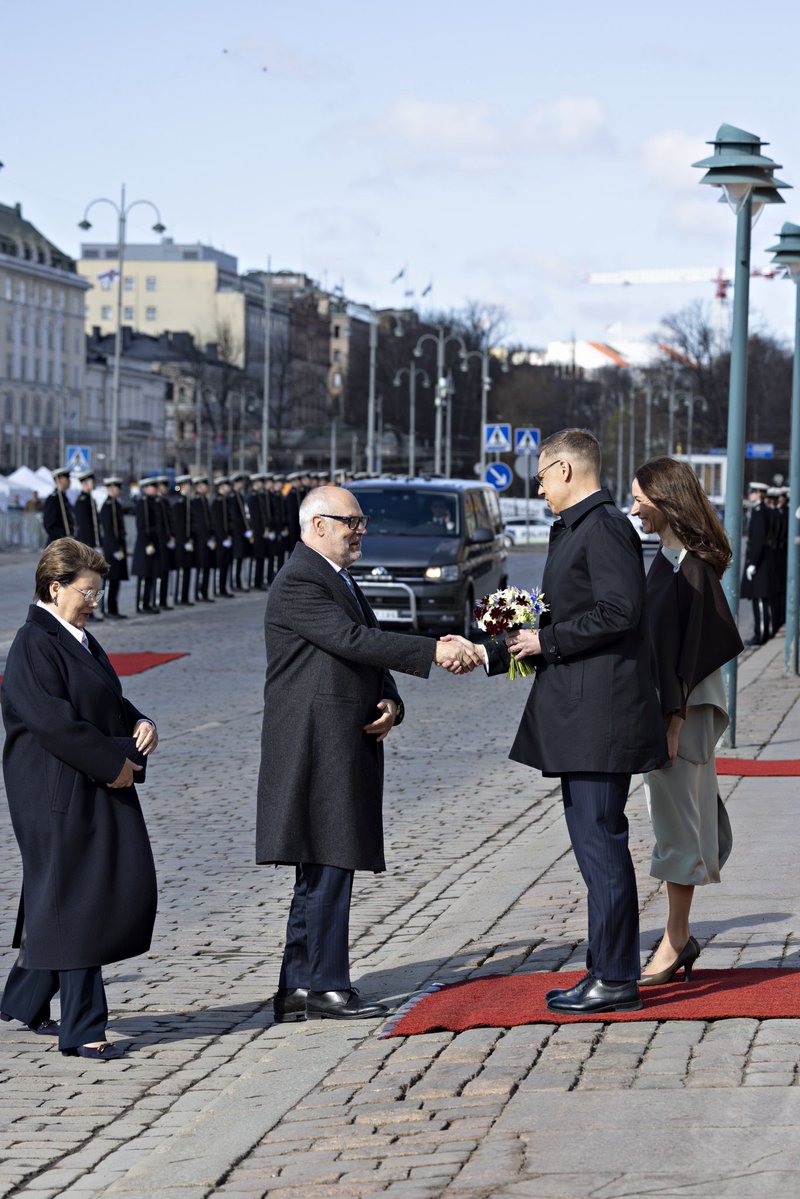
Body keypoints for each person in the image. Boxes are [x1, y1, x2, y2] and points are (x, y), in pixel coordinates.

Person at [450, 429, 666, 1015]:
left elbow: (620, 611)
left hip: (600, 718)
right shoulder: (579, 527)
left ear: (566, 469)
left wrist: (547, 640)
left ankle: (616, 975)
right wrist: (503, 646)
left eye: (542, 475)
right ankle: (605, 967)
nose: (538, 486)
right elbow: (573, 612)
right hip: (583, 715)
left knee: (602, 847)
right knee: (594, 848)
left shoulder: (602, 526)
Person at [256, 485, 482, 1023]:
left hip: (339, 737)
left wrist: (391, 700)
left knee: (324, 865)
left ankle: (297, 986)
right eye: (351, 522)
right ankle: (327, 986)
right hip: (314, 744)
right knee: (329, 861)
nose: (361, 531)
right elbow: (352, 640)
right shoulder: (299, 582)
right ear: (317, 526)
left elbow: (365, 645)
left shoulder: (336, 576)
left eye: (362, 522)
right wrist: (435, 649)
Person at [0, 538, 158, 1060]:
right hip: (54, 793)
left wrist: (140, 723)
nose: (95, 601)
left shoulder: (78, 638)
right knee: (78, 901)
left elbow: (105, 702)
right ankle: (83, 1028)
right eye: (86, 592)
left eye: (97, 591)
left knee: (59, 894)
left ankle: (24, 999)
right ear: (55, 588)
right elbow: (53, 723)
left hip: (83, 782)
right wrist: (115, 765)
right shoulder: (34, 642)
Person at [630, 458, 743, 984]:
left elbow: (695, 649)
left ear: (665, 498)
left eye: (639, 498)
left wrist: (673, 722)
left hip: (683, 714)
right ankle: (680, 937)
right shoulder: (671, 559)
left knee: (677, 829)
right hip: (676, 710)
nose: (634, 508)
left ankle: (675, 943)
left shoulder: (690, 566)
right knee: (680, 823)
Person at [741, 482, 775, 646]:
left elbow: (758, 541)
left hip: (760, 564)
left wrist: (753, 562)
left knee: (760, 600)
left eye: (751, 492)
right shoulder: (758, 510)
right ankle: (761, 633)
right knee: (758, 599)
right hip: (759, 562)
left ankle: (761, 635)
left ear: (758, 493)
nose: (749, 494)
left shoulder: (760, 512)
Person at [99, 477, 129, 619]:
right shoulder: (107, 506)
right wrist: (115, 548)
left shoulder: (116, 504)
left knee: (116, 579)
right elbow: (108, 530)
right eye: (117, 487)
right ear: (110, 488)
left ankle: (114, 608)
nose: (120, 490)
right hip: (111, 550)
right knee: (109, 580)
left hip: (118, 548)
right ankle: (106, 608)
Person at [42, 468, 76, 543]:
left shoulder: (64, 498)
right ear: (59, 480)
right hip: (57, 544)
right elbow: (49, 524)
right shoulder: (53, 499)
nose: (69, 481)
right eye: (66, 478)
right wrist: (62, 536)